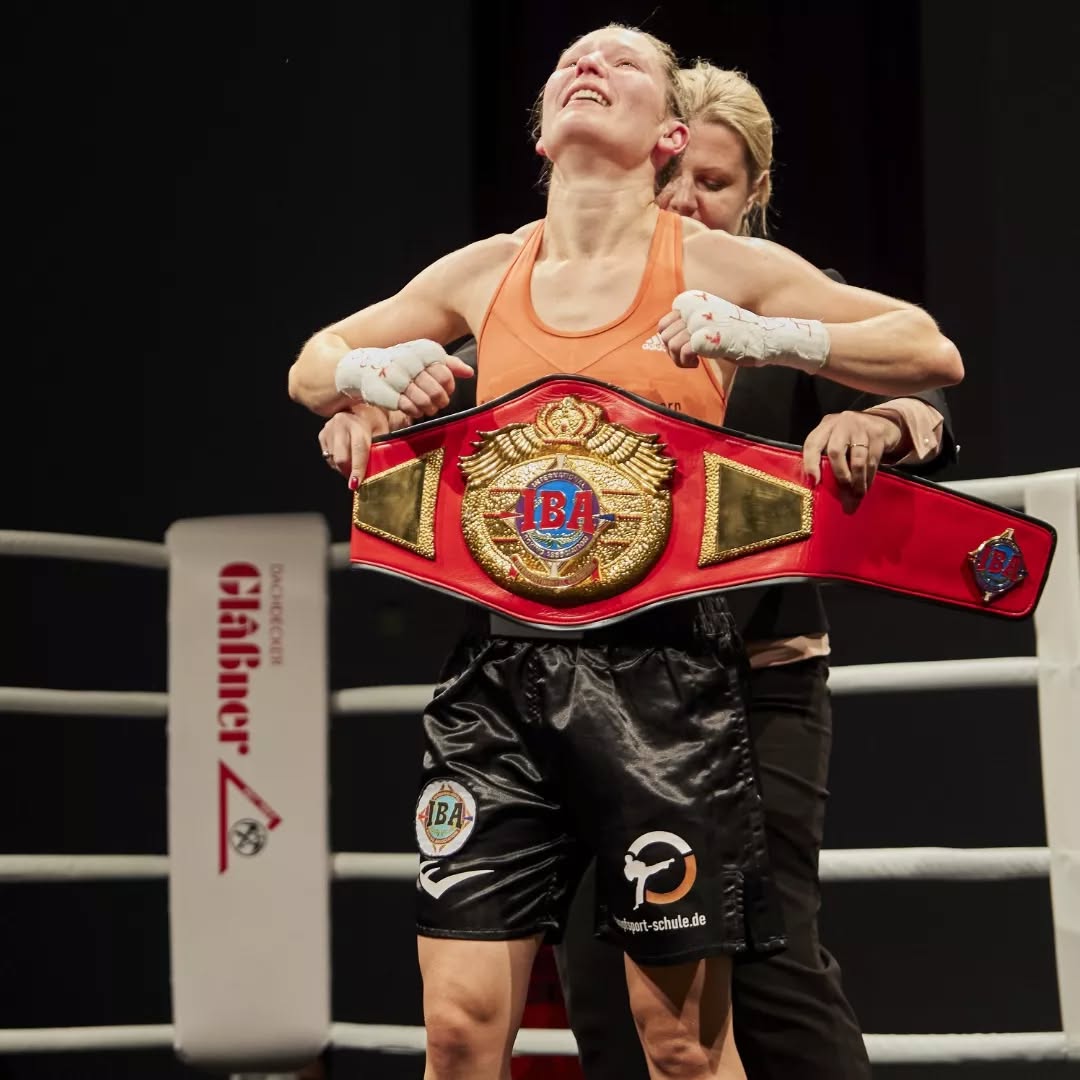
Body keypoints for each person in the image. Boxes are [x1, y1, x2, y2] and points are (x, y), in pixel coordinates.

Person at [290, 25, 962, 1080]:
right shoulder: (488, 268)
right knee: (462, 1032)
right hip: (507, 669)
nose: (589, 65)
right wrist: (368, 381)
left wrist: (773, 339)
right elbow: (315, 364)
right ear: (540, 133)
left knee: (689, 1040)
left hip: (678, 673)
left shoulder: (720, 269)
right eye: (571, 59)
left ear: (668, 132)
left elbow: (928, 355)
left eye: (625, 61)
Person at [549, 62, 955, 1080]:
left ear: (755, 192)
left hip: (753, 678)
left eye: (716, 182)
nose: (687, 199)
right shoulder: (567, 285)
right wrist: (371, 401)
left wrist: (878, 423)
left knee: (772, 971)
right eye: (673, 176)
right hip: (594, 684)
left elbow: (924, 384)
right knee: (602, 981)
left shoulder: (772, 293)